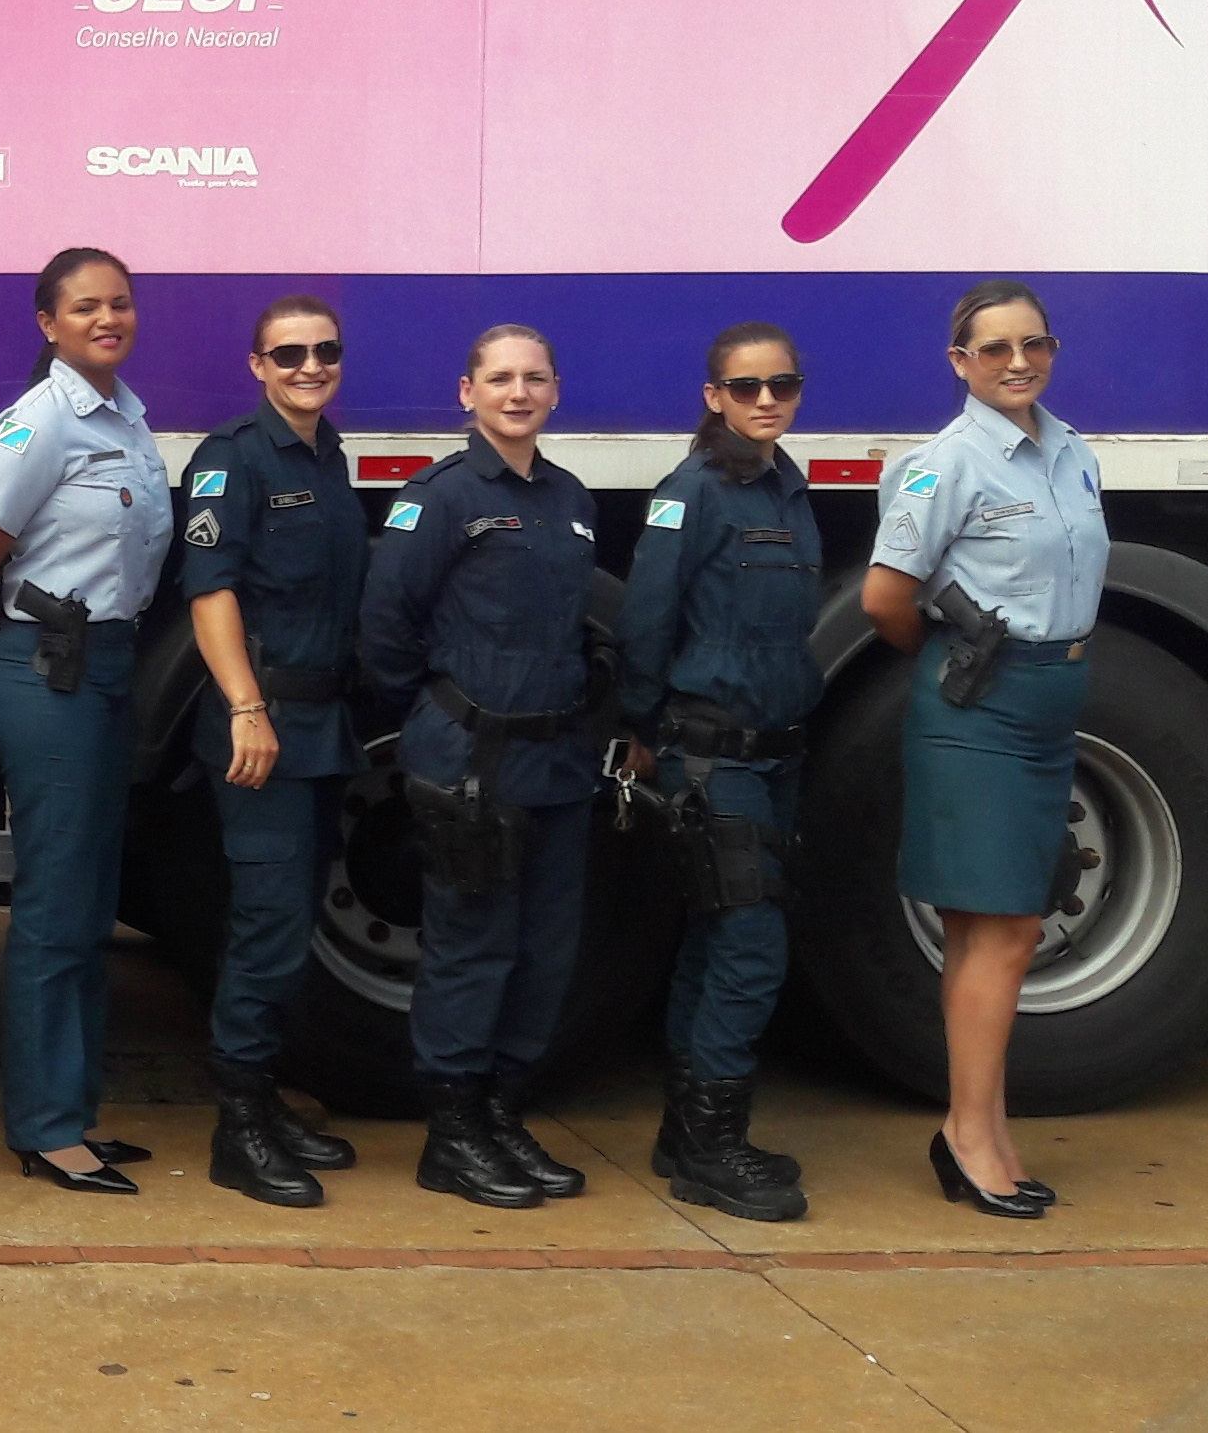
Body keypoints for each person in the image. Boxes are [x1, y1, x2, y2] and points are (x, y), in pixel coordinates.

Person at [863, 279, 1106, 1220]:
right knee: (1001, 930)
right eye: (995, 349)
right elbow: (887, 598)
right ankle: (969, 1138)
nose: (1018, 362)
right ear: (959, 363)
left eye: (1033, 344)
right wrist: (951, 667)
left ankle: (985, 1130)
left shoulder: (1074, 451)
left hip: (1050, 705)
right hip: (980, 709)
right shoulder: (944, 466)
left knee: (996, 927)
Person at [359, 323, 605, 1212]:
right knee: (472, 947)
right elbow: (386, 626)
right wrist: (436, 716)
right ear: (468, 393)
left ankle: (503, 1116)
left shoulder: (571, 498)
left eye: (534, 378)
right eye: (500, 378)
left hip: (557, 762)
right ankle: (453, 1134)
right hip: (472, 758)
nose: (518, 393)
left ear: (555, 390)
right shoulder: (441, 497)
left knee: (544, 951)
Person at [0, 247, 169, 1196]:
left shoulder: (129, 417)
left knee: (89, 904)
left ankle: (74, 1111)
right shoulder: (40, 423)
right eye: (85, 307)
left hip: (109, 668)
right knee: (53, 906)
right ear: (49, 324)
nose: (107, 319)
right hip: (49, 673)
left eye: (120, 303)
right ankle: (43, 1127)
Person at [616, 321, 827, 1224]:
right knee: (749, 946)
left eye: (782, 384)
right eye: (746, 387)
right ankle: (713, 1149)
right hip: (711, 757)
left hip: (774, 754)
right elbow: (644, 623)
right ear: (714, 397)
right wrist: (642, 729)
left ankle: (685, 1134)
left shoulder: (790, 488)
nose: (766, 400)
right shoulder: (691, 492)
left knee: (715, 942)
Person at [169, 295, 371, 1210]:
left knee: (294, 929)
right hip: (263, 728)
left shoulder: (330, 457)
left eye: (324, 351)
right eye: (288, 355)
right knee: (265, 924)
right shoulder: (232, 460)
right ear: (258, 366)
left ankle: (270, 1103)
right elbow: (211, 592)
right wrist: (246, 707)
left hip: (322, 727)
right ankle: (238, 1129)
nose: (309, 367)